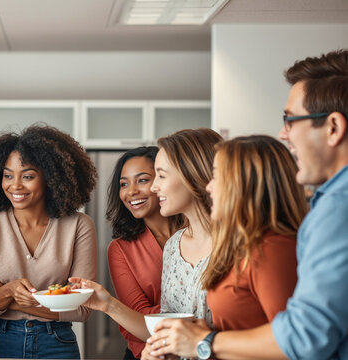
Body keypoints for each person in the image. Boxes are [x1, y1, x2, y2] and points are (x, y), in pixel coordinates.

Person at [146, 49, 348, 360]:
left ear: (333, 127)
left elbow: (305, 337)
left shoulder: (330, 214)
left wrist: (205, 342)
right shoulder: (325, 207)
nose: (284, 133)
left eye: (290, 120)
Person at [143, 135, 307, 359]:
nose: (208, 186)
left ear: (246, 183)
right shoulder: (242, 244)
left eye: (217, 176)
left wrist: (204, 341)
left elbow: (296, 341)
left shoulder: (271, 247)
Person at [70, 128, 222, 344]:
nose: (132, 191)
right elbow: (162, 324)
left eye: (149, 178)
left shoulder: (238, 240)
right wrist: (109, 304)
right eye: (123, 184)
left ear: (192, 174)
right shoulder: (173, 246)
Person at [0, 125, 98, 359]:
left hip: (57, 343)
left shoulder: (79, 225)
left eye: (27, 176)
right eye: (7, 175)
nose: (15, 186)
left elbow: (83, 308)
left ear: (51, 177)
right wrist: (9, 293)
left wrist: (7, 297)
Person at [105, 147, 183, 360]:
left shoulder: (196, 232)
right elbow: (136, 319)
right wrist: (194, 310)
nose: (130, 192)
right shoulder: (120, 249)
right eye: (123, 184)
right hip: (148, 355)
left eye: (142, 180)